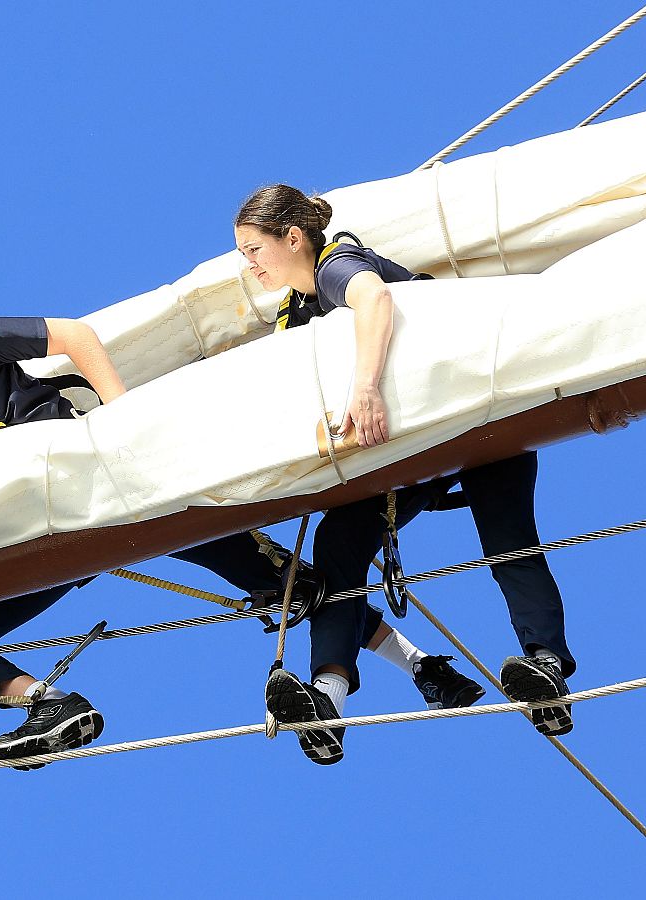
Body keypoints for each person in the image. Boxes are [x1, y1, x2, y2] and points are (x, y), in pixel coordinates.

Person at [0, 291, 479, 764]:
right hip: (46, 538)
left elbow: (73, 336)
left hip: (110, 487)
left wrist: (123, 425)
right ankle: (47, 704)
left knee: (288, 588)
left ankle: (420, 664)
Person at [234, 184, 576, 765]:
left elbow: (374, 301)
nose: (248, 265)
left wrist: (364, 390)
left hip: (476, 421)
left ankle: (546, 666)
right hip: (417, 452)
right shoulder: (296, 316)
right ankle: (328, 698)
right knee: (340, 542)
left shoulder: (337, 266)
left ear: (293, 238)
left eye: (252, 249)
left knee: (507, 539)